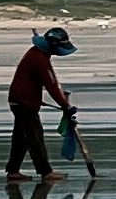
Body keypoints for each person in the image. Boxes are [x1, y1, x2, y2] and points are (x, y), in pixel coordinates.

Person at [5, 26, 76, 180]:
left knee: (21, 138)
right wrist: (65, 106)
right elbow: (51, 85)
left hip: (20, 101)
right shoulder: (39, 59)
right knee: (35, 136)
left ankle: (13, 171)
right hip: (24, 103)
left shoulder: (38, 55)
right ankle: (46, 172)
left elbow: (46, 83)